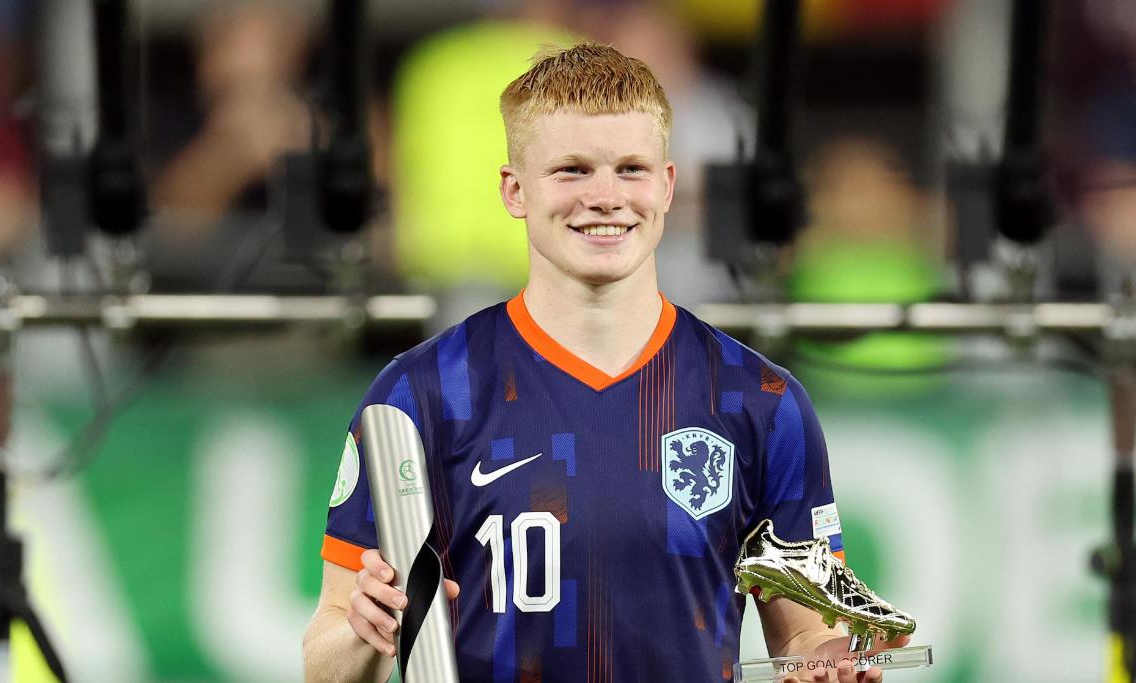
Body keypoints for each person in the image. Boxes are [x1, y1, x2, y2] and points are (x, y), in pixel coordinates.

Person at [303, 43, 908, 683]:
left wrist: (829, 661)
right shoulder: (421, 394)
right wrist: (365, 633)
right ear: (514, 190)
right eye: (571, 170)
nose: (605, 196)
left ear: (667, 186)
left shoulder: (759, 400)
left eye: (630, 169)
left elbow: (805, 634)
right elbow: (325, 660)